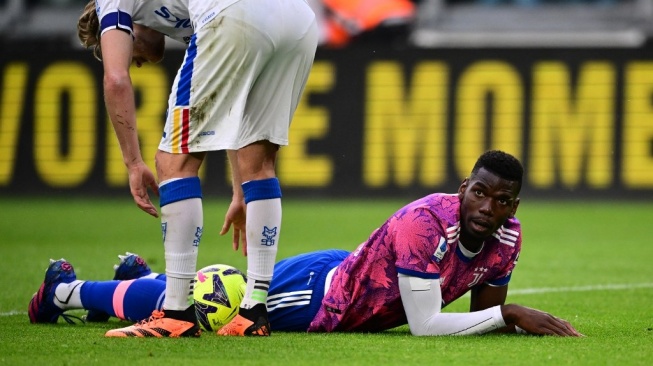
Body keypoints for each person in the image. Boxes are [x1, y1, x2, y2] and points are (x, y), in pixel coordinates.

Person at [28, 150, 582, 337]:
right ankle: (67, 292)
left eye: (502, 200)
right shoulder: (426, 223)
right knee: (207, 309)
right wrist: (510, 315)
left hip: (354, 275)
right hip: (326, 300)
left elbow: (480, 317)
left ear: (515, 206)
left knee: (199, 298)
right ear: (464, 188)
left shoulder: (507, 236)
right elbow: (427, 324)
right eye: (480, 194)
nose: (488, 208)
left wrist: (501, 317)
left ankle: (133, 279)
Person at [75, 0, 319, 337]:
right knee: (259, 163)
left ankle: (176, 312)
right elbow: (237, 110)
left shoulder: (110, 4)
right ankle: (253, 312)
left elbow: (116, 79)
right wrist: (239, 191)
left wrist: (133, 163)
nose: (138, 62)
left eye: (133, 54)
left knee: (172, 162)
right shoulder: (180, 14)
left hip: (236, 13)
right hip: (299, 21)